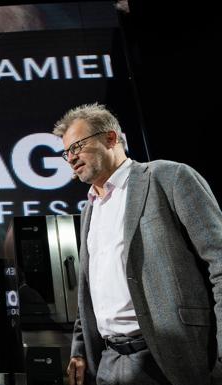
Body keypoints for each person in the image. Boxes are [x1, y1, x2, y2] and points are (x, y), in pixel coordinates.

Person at [52, 103, 222, 385]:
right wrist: (81, 349)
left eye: (77, 146)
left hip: (171, 356)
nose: (71, 158)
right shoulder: (89, 209)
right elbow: (91, 287)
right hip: (109, 362)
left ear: (110, 138)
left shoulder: (168, 177)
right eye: (66, 152)